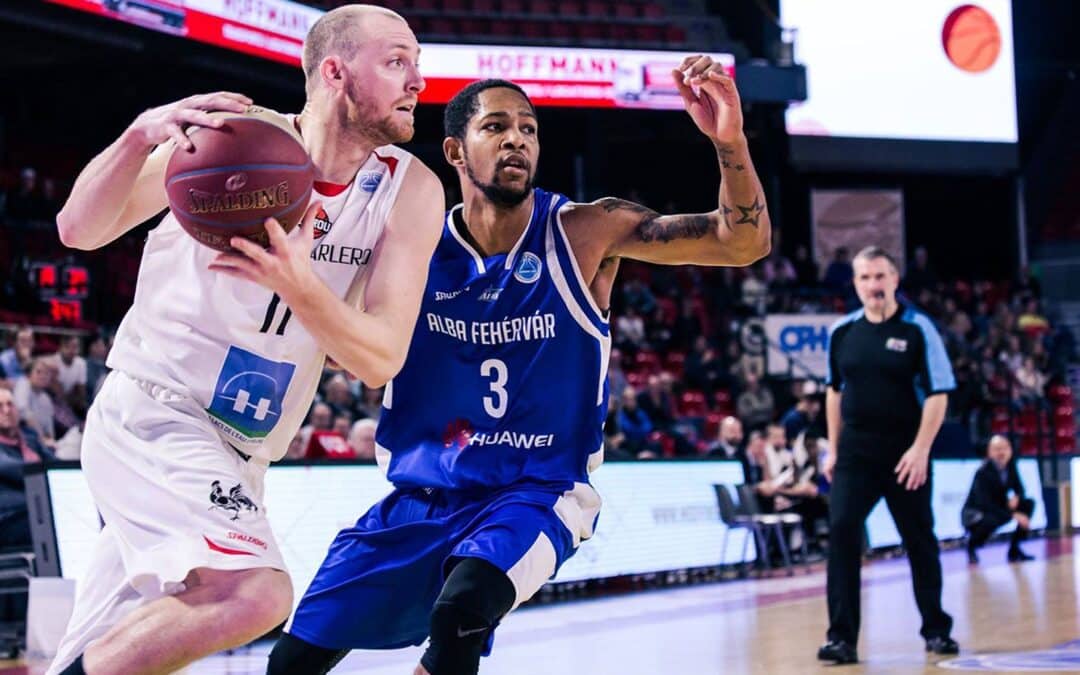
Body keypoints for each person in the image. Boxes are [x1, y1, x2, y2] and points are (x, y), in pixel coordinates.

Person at [271, 59, 771, 675]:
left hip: (537, 490)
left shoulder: (585, 231)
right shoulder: (409, 249)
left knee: (463, 610)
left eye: (530, 129)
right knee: (290, 663)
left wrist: (730, 141)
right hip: (420, 495)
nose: (517, 139)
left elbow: (741, 242)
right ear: (455, 149)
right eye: (497, 127)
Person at [46, 6, 444, 674]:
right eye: (398, 61)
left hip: (244, 454)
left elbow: (379, 358)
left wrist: (299, 283)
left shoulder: (410, 190)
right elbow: (77, 230)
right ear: (336, 71)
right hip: (155, 411)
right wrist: (140, 137)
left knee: (102, 656)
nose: (418, 83)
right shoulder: (228, 144)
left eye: (417, 64)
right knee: (255, 590)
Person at [818, 246, 959, 665]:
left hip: (905, 454)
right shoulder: (842, 332)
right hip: (855, 454)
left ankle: (936, 629)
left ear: (895, 280)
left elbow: (939, 394)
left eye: (880, 277)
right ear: (856, 283)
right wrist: (833, 447)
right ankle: (842, 638)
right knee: (842, 532)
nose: (873, 285)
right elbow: (833, 391)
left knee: (919, 539)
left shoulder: (919, 330)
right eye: (865, 278)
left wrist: (920, 449)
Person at [962, 435, 1035, 564]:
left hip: (998, 508)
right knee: (991, 520)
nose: (1002, 452)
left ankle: (1014, 549)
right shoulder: (983, 472)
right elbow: (984, 503)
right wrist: (1013, 514)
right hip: (976, 513)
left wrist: (1017, 497)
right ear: (989, 452)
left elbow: (1020, 488)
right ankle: (971, 546)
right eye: (997, 449)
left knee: (1028, 504)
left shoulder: (1011, 466)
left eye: (1005, 448)